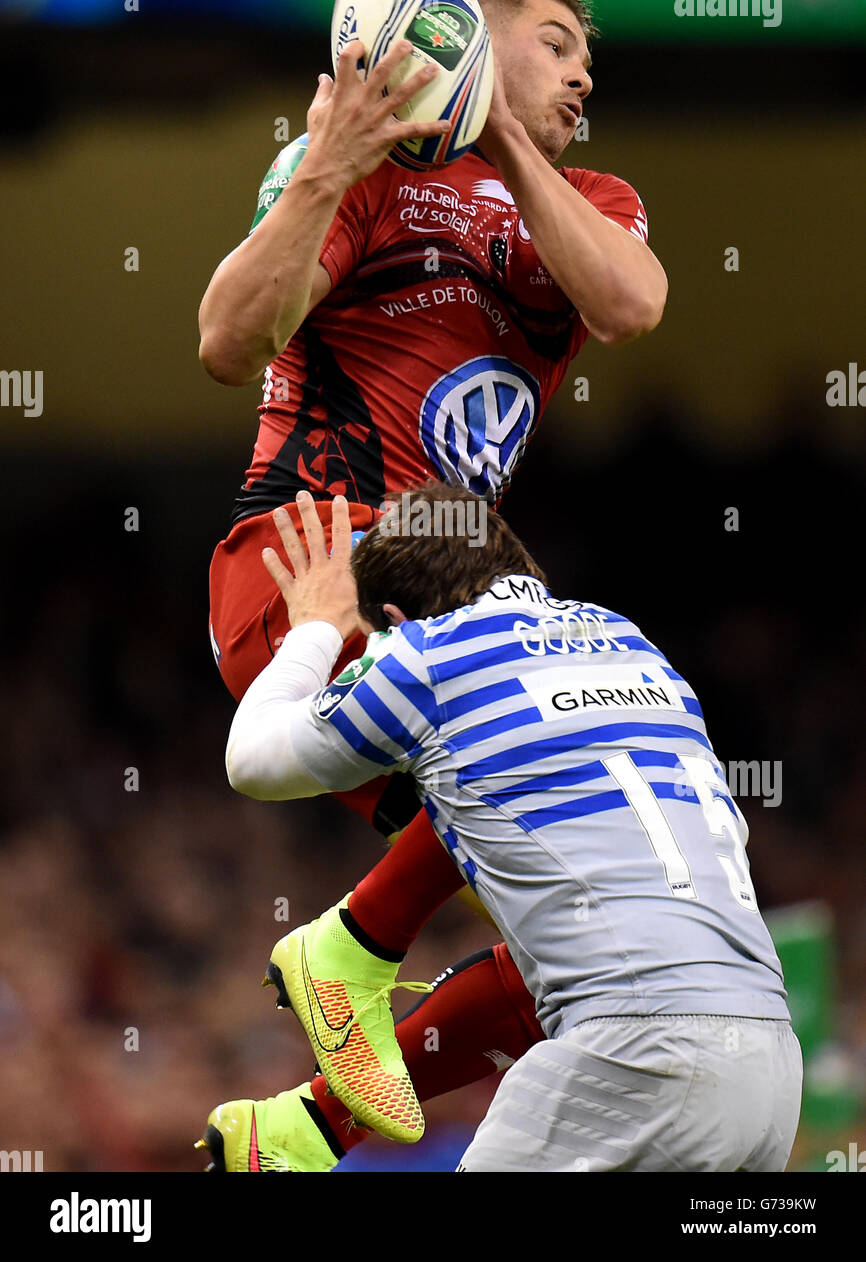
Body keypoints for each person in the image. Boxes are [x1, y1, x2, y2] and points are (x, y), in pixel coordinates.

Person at [199, 0, 668, 1149]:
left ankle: (303, 1130)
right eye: (555, 43)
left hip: (447, 597)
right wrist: (325, 162)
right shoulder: (366, 176)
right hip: (308, 561)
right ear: (465, 39)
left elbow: (627, 304)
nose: (583, 71)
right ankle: (351, 944)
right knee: (504, 599)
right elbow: (225, 338)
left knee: (613, 900)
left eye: (585, 58)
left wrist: (510, 144)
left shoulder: (593, 197)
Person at [197, 485, 801, 1173]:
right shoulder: (632, 644)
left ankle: (350, 952)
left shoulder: (428, 657)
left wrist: (315, 627)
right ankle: (347, 971)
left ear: (396, 618)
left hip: (633, 1055)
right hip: (772, 1066)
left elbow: (250, 761)